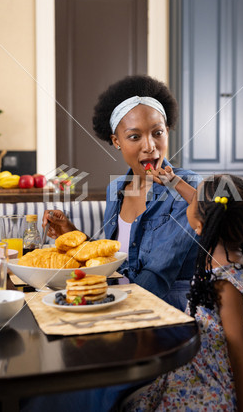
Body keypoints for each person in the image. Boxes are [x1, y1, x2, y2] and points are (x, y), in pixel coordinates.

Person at [43, 75, 201, 312]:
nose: (149, 146)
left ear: (167, 131)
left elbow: (158, 273)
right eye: (134, 136)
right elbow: (115, 256)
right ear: (117, 141)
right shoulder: (116, 189)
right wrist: (72, 233)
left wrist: (110, 309)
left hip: (172, 315)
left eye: (157, 133)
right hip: (122, 302)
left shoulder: (187, 187)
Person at [121, 172, 243, 411]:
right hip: (205, 359)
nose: (190, 199)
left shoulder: (224, 284)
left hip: (221, 380)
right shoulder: (225, 248)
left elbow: (240, 356)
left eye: (194, 201)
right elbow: (205, 205)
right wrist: (175, 181)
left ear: (201, 225)